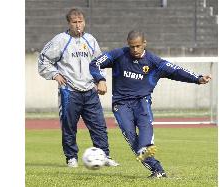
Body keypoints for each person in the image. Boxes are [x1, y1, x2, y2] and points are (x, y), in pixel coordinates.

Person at [89, 30, 211, 178]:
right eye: (131, 46)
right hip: (121, 104)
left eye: (138, 46)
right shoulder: (119, 55)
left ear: (144, 44)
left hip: (142, 101)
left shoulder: (154, 62)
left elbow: (176, 71)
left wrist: (197, 78)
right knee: (130, 136)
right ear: (128, 44)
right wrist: (100, 79)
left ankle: (147, 149)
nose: (134, 49)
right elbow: (95, 63)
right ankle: (157, 168)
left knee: (144, 135)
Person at [38, 8, 119, 168]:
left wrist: (101, 80)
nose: (78, 25)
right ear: (69, 23)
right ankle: (71, 158)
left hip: (90, 91)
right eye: (74, 22)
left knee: (99, 126)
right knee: (69, 126)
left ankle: (104, 156)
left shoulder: (90, 40)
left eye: (80, 22)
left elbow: (99, 62)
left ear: (84, 22)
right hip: (70, 91)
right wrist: (55, 74)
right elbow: (43, 59)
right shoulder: (60, 40)